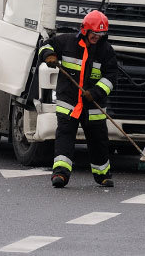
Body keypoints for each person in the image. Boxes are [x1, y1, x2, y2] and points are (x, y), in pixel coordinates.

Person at [38, 10, 118, 189]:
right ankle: (60, 174)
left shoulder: (106, 51)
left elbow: (111, 77)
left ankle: (103, 175)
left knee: (98, 140)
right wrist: (48, 56)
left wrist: (95, 92)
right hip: (69, 102)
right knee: (64, 136)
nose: (96, 37)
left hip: (93, 106)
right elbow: (45, 45)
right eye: (94, 33)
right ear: (85, 30)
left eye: (100, 34)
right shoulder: (66, 42)